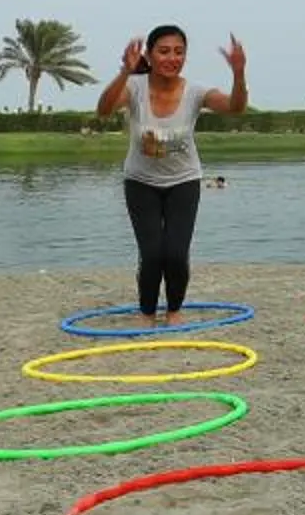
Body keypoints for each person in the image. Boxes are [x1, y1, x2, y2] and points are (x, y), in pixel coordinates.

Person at [92, 25, 247, 325]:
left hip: (183, 181)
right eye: (164, 51)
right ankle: (147, 311)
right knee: (152, 254)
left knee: (176, 253)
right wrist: (125, 72)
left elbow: (235, 108)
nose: (172, 58)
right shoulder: (135, 87)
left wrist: (239, 73)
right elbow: (104, 109)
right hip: (141, 182)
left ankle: (174, 309)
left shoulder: (196, 92)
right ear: (150, 55)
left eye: (179, 52)